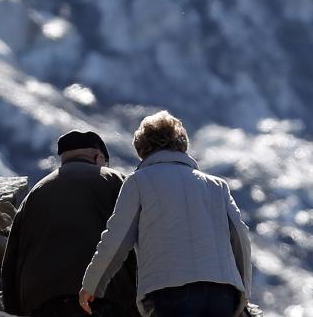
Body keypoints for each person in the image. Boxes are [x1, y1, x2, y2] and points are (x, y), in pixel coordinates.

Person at [79, 111, 254, 317]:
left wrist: (92, 285)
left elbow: (116, 239)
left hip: (171, 293)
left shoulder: (138, 182)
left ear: (142, 148)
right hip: (222, 294)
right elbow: (241, 239)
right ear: (182, 144)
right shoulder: (217, 186)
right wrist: (243, 292)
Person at [2, 130, 139, 317]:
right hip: (105, 298)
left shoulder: (36, 192)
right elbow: (138, 239)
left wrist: (13, 309)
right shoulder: (116, 181)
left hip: (42, 301)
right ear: (98, 157)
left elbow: (11, 259)